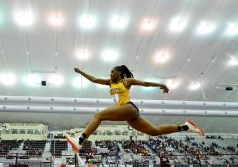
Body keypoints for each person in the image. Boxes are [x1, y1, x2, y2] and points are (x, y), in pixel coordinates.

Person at [66, 65, 205, 152]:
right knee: (154, 131)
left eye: (112, 71)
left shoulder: (127, 81)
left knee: (99, 116)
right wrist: (80, 72)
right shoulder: (110, 83)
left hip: (129, 108)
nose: (110, 74)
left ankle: (80, 140)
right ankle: (185, 127)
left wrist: (161, 85)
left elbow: (144, 83)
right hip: (128, 115)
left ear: (119, 73)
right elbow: (95, 79)